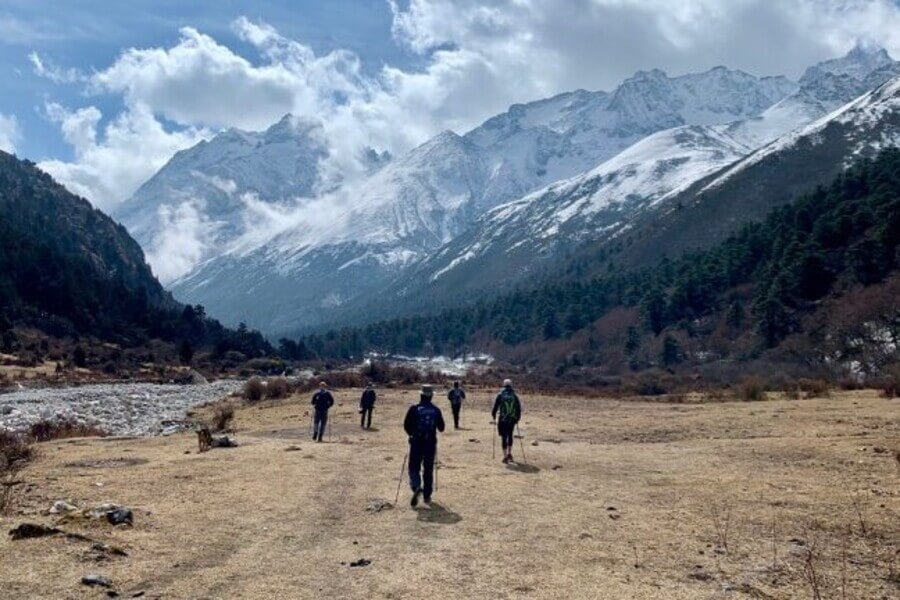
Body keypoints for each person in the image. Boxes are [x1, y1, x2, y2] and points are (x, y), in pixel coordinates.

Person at [403, 384, 445, 506]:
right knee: (428, 469)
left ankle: (416, 486)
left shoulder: (414, 408)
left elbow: (406, 426)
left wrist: (411, 435)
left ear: (421, 395)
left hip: (416, 443)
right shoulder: (436, 410)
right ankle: (427, 496)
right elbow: (441, 428)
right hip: (430, 444)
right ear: (431, 396)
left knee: (413, 467)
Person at [491, 378, 522, 464]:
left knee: (504, 437)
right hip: (511, 419)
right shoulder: (514, 395)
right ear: (511, 385)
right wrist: (517, 418)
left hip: (503, 419)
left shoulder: (500, 394)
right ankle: (509, 453)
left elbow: (495, 406)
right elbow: (518, 408)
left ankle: (505, 457)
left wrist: (493, 415)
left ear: (504, 385)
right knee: (510, 435)